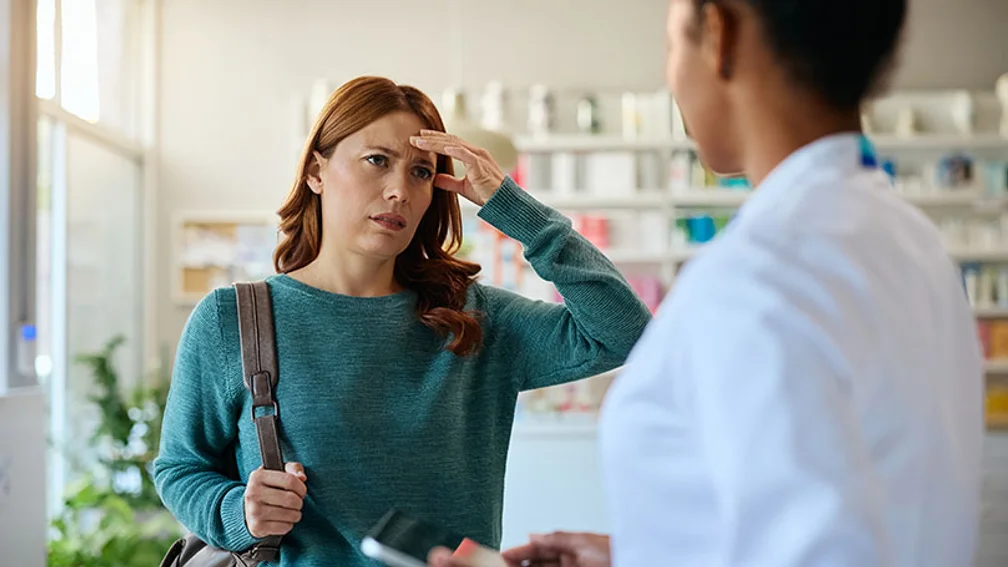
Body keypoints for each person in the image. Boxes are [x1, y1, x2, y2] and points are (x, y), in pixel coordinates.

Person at [432, 0, 984, 566]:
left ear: (720, 33)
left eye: (672, 45)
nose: (672, 78)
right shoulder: (907, 239)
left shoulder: (761, 277)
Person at [153, 76, 652, 567]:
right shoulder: (233, 321)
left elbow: (625, 334)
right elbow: (180, 469)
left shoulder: (476, 320)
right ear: (316, 171)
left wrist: (513, 208)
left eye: (420, 172)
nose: (399, 191)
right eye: (377, 161)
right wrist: (240, 511)